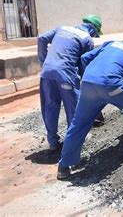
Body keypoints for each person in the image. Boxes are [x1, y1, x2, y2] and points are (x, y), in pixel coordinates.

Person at [57, 33, 123, 179]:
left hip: (88, 83)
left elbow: (85, 58)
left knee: (79, 123)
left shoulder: (111, 43)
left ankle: (64, 167)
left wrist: (93, 77)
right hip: (111, 85)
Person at [38, 15, 103, 151]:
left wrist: (43, 62)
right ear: (93, 30)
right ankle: (73, 143)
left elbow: (42, 38)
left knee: (50, 106)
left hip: (47, 72)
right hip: (65, 74)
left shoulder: (62, 28)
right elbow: (83, 64)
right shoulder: (87, 39)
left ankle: (53, 143)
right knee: (73, 107)